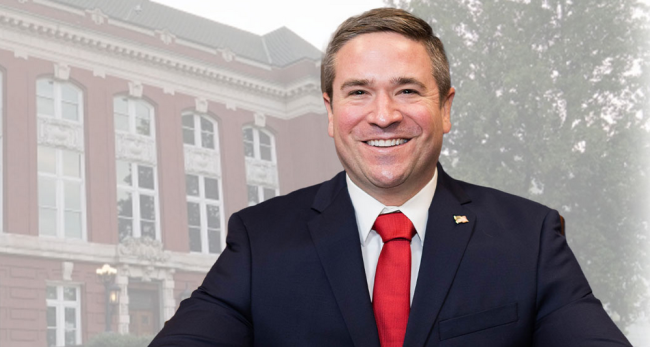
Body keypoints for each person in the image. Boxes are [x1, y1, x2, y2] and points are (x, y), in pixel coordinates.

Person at [150, 8, 631, 347]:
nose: (383, 115)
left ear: (445, 109)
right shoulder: (260, 238)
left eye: (407, 90)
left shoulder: (531, 237)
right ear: (330, 110)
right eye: (358, 92)